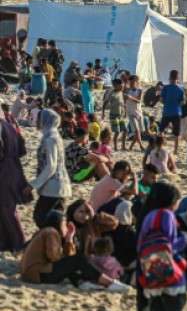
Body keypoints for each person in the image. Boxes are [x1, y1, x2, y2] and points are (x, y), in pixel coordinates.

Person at [20, 210, 130, 291]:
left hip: (31, 273)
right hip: (37, 274)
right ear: (59, 223)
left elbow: (66, 257)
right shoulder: (51, 232)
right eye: (64, 224)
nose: (66, 227)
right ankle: (109, 282)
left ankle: (81, 283)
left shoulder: (44, 231)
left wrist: (69, 239)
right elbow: (54, 257)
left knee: (74, 260)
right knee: (79, 259)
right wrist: (67, 255)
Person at [136, 182, 187, 311]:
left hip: (151, 269)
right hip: (169, 273)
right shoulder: (167, 215)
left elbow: (140, 245)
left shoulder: (148, 216)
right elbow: (170, 245)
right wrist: (184, 239)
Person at [28, 109, 72, 227]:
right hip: (56, 186)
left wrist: (33, 184)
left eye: (38, 119)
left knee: (42, 218)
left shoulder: (50, 138)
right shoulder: (52, 135)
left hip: (55, 187)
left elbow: (51, 166)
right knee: (52, 220)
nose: (36, 122)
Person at [0, 115, 30, 252]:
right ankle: (7, 243)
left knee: (8, 209)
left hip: (4, 172)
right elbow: (22, 150)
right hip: (13, 169)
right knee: (5, 209)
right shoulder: (10, 126)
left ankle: (20, 243)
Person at [158, 70, 187, 155]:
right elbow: (183, 102)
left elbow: (161, 100)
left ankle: (160, 146)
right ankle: (175, 150)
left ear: (170, 78)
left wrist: (166, 103)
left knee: (161, 130)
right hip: (177, 112)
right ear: (177, 79)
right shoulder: (181, 88)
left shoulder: (166, 87)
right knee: (177, 133)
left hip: (167, 111)